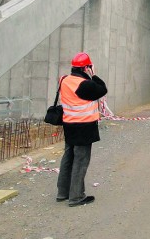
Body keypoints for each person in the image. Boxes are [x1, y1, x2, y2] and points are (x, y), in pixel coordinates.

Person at [57, 52, 108, 206]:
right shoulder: (86, 85)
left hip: (69, 125)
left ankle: (62, 192)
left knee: (68, 157)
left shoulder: (64, 80)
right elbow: (102, 89)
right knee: (81, 160)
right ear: (86, 68)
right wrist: (94, 74)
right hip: (84, 126)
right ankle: (76, 196)